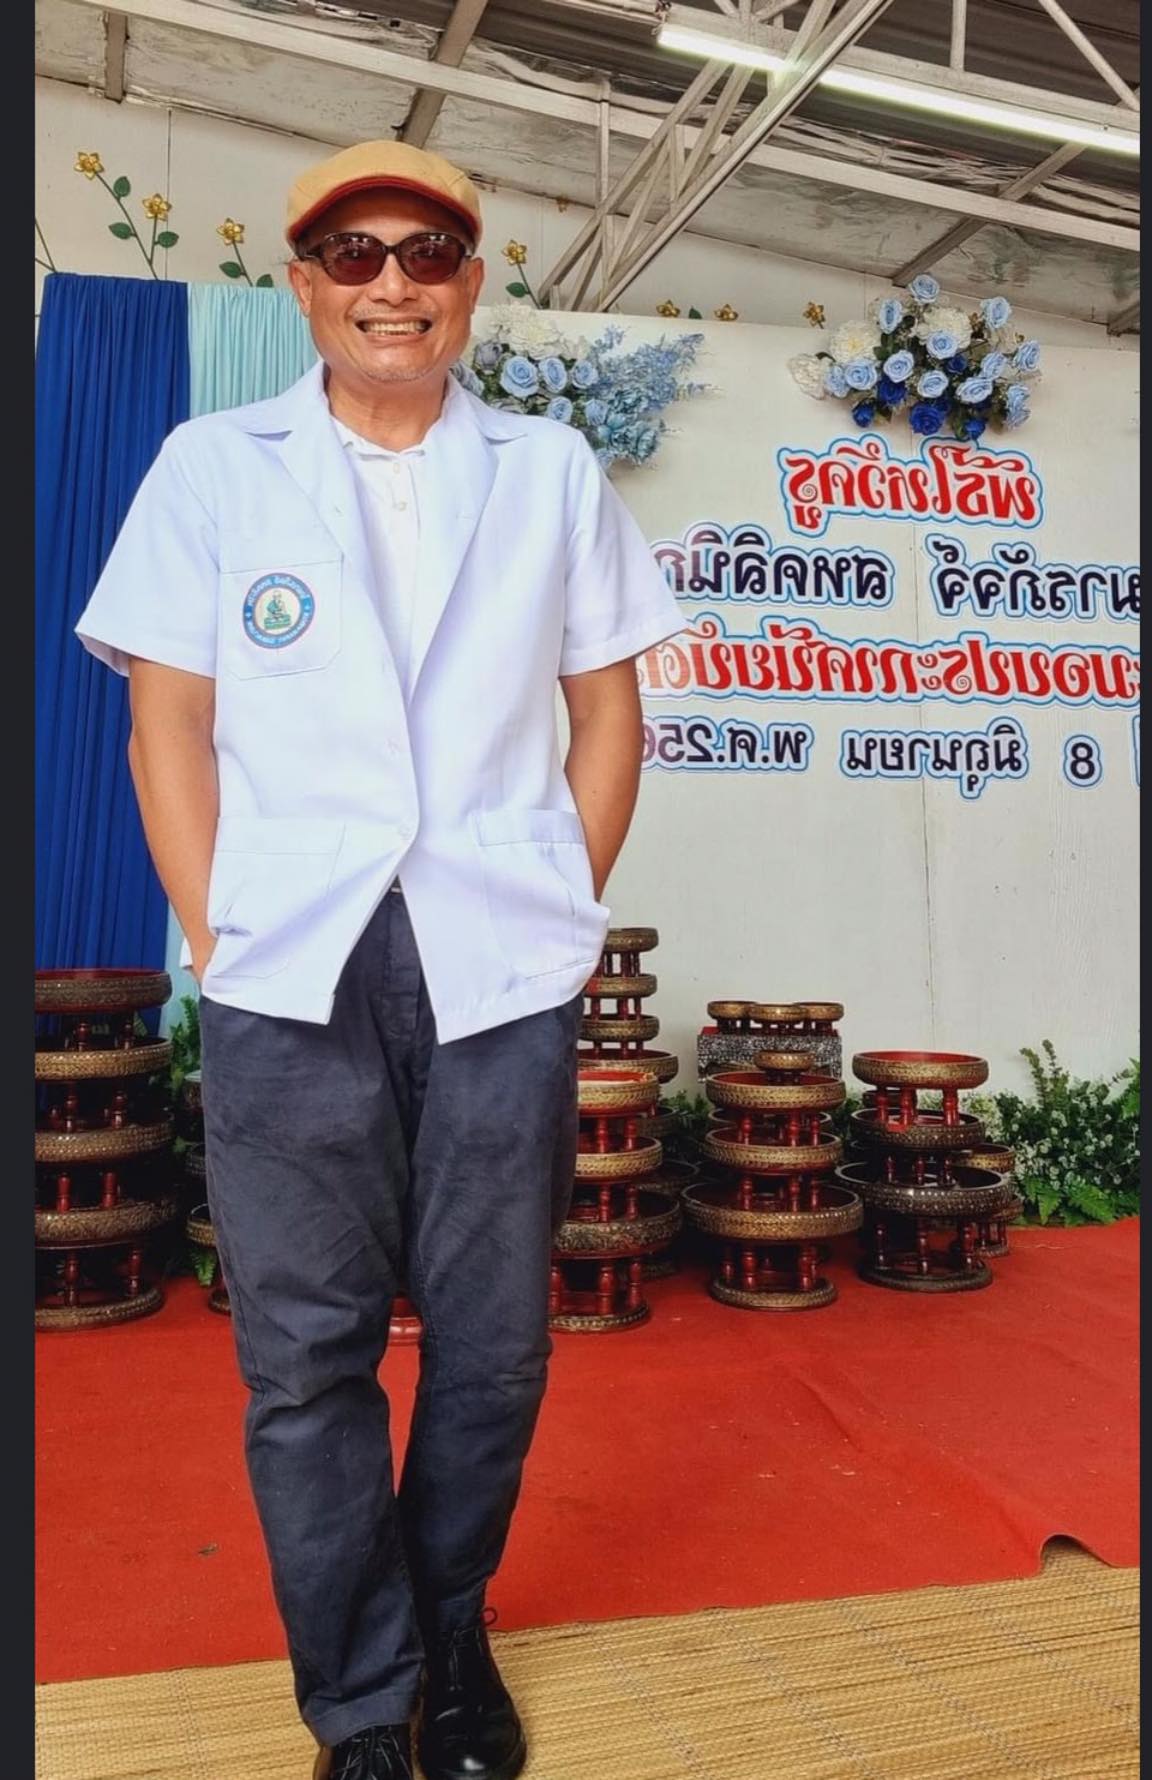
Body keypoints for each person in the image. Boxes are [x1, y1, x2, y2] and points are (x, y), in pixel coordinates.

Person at [75, 139, 683, 1780]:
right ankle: (357, 1700)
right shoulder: (215, 466)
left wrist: (553, 904)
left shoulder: (549, 470)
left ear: (471, 284)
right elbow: (167, 722)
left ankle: (450, 1628)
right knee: (304, 1358)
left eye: (426, 252)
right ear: (304, 287)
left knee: (495, 1342)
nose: (391, 283)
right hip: (290, 968)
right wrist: (218, 929)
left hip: (499, 967)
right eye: (354, 254)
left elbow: (609, 712)